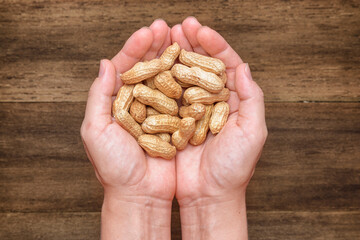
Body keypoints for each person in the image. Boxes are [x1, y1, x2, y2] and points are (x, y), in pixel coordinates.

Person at [80, 16, 267, 240]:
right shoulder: (153, 101)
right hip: (166, 117)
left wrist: (130, 197)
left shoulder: (193, 95)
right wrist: (218, 199)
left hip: (182, 111)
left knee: (193, 95)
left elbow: (208, 91)